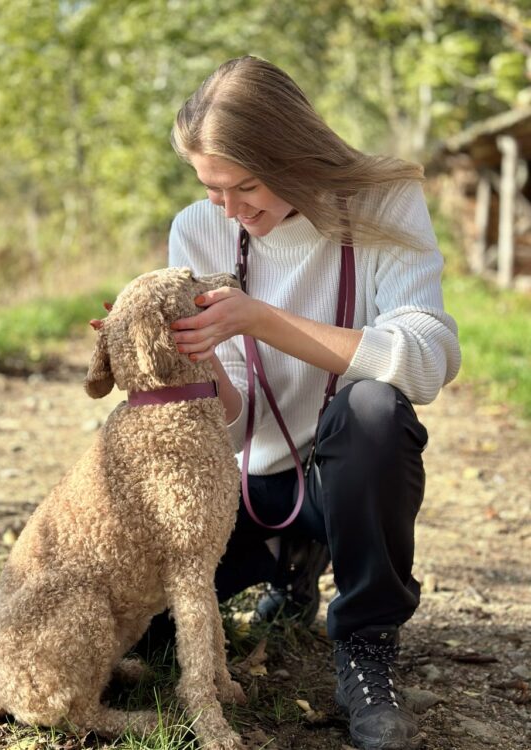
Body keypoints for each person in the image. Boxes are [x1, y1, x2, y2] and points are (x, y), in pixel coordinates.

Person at [166, 56, 461, 750]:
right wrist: (196, 365)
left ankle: (365, 648)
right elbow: (232, 427)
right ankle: (291, 560)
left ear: (293, 156)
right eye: (212, 190)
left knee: (373, 413)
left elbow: (425, 359)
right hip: (256, 484)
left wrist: (260, 319)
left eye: (246, 186)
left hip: (343, 476)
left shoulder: (384, 201)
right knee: (144, 629)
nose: (232, 210)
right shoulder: (199, 230)